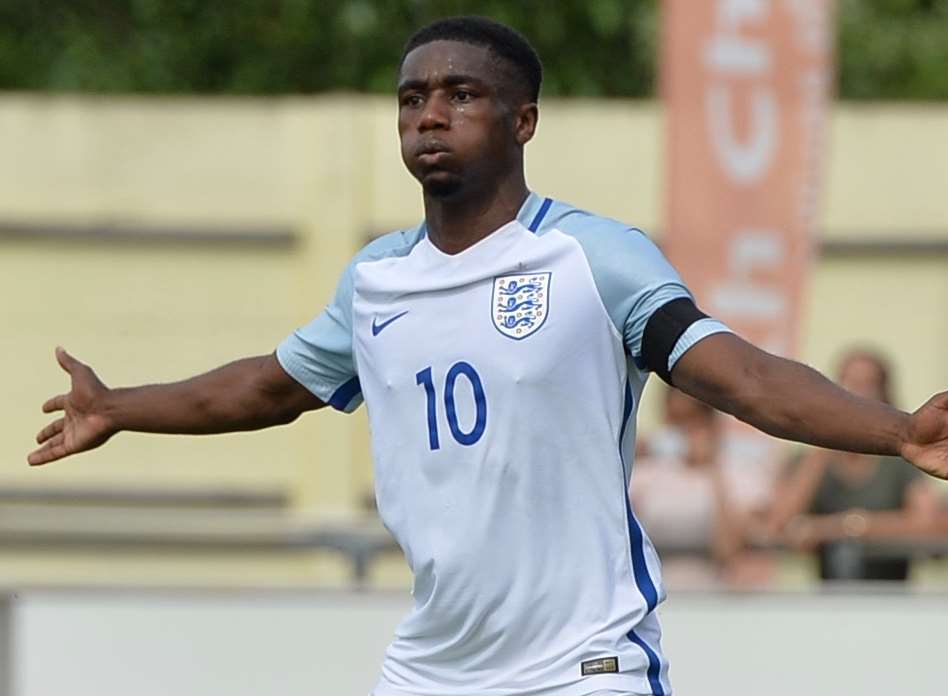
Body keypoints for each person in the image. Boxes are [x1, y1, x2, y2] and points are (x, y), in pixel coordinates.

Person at [27, 16, 948, 696]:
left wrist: (897, 431)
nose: (430, 114)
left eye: (461, 94)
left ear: (523, 121)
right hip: (432, 668)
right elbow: (265, 387)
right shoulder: (377, 280)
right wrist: (118, 407)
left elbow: (745, 376)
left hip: (584, 663)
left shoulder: (595, 256)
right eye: (413, 98)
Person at [769, 348, 940, 581]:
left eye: (868, 384)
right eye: (848, 383)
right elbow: (778, 524)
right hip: (828, 600)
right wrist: (824, 441)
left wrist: (847, 526)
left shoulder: (900, 460)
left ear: (885, 395)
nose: (857, 393)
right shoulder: (808, 460)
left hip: (892, 600)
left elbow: (927, 523)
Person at [631, 390, 744, 588]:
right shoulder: (644, 473)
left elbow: (729, 551)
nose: (682, 432)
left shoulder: (733, 473)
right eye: (675, 421)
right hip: (653, 589)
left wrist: (713, 469)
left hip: (710, 592)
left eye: (691, 421)